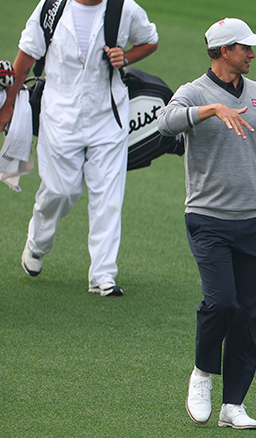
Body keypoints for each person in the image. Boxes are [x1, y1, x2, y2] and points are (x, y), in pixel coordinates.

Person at [157, 18, 256, 429]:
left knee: (247, 312)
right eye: (245, 48)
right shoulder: (194, 92)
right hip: (207, 219)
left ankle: (234, 405)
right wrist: (210, 109)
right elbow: (164, 123)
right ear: (225, 51)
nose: (253, 54)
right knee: (220, 301)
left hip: (253, 221)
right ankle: (202, 373)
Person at [0, 0, 158, 296]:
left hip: (108, 112)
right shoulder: (51, 8)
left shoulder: (124, 8)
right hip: (59, 111)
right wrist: (7, 104)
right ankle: (37, 243)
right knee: (61, 190)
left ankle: (103, 275)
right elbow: (26, 57)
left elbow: (150, 40)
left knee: (109, 195)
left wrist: (126, 57)